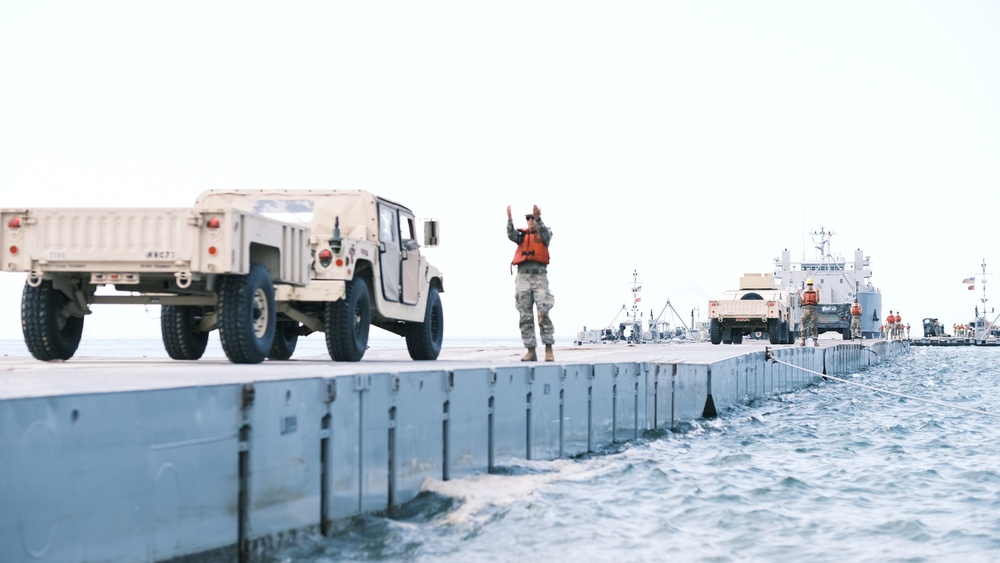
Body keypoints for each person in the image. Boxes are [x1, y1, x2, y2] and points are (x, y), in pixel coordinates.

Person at [507, 204, 555, 361]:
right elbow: (511, 235)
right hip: (523, 277)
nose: (529, 220)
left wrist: (539, 219)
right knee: (525, 316)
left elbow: (546, 237)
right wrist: (509, 220)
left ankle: (548, 349)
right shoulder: (522, 236)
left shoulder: (544, 233)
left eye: (532, 218)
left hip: (539, 277)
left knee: (543, 312)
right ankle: (531, 350)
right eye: (527, 218)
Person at [798, 278, 819, 346]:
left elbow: (817, 301)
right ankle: (803, 340)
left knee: (814, 325)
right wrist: (799, 295)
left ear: (812, 285)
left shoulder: (815, 292)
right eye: (809, 284)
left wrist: (817, 293)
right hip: (806, 308)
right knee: (803, 324)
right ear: (807, 285)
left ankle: (815, 341)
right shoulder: (804, 292)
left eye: (811, 284)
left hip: (813, 308)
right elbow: (802, 301)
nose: (810, 286)